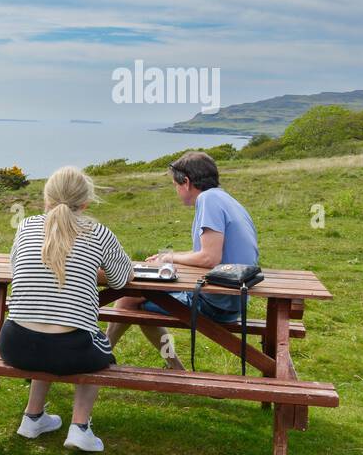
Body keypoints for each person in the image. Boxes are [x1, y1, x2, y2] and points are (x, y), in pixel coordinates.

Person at [0, 166, 133, 452]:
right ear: (85, 204)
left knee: (42, 328)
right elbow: (122, 280)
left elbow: (15, 269)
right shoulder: (99, 233)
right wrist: (90, 271)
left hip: (14, 344)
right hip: (71, 350)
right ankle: (79, 427)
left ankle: (32, 417)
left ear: (45, 199)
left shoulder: (26, 227)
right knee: (103, 346)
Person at [105, 151, 259, 369]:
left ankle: (102, 354)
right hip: (234, 298)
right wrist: (169, 259)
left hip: (217, 302)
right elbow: (211, 254)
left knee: (130, 299)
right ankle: (173, 366)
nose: (176, 191)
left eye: (175, 185)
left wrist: (169, 258)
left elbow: (209, 258)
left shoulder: (208, 199)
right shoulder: (227, 199)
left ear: (186, 182)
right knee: (139, 300)